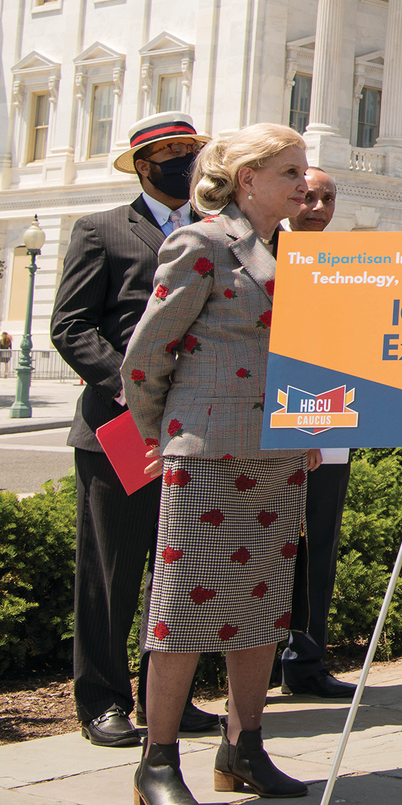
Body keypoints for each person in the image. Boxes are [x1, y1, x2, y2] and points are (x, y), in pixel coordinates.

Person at [121, 121, 319, 805]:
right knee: (181, 614)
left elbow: (311, 357)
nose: (304, 184)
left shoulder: (295, 254)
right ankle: (158, 760)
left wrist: (313, 428)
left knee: (262, 609)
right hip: (206, 453)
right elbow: (146, 357)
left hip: (277, 456)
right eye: (291, 172)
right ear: (249, 180)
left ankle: (244, 749)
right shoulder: (201, 242)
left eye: (303, 171)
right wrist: (163, 436)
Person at [51, 112, 222, 751]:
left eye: (192, 151)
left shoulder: (214, 232)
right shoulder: (101, 230)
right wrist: (132, 386)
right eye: (171, 153)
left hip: (196, 424)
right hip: (121, 424)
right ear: (143, 165)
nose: (185, 162)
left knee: (176, 570)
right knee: (113, 567)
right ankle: (101, 699)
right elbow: (70, 326)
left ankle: (165, 698)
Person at [277, 168, 352, 705]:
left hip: (329, 422)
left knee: (318, 547)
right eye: (308, 196)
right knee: (268, 551)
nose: (317, 207)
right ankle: (259, 660)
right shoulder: (264, 256)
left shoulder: (343, 264)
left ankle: (307, 660)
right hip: (273, 424)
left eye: (327, 198)